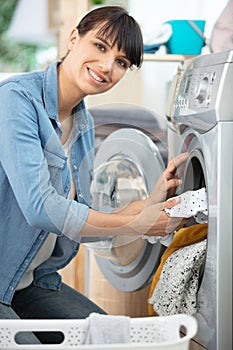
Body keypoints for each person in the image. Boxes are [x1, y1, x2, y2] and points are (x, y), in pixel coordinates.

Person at [0, 5, 189, 344]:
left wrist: (146, 205)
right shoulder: (16, 100)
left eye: (121, 62)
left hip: (29, 281)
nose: (106, 67)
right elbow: (42, 209)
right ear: (74, 38)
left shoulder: (84, 123)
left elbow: (79, 226)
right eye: (100, 47)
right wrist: (138, 223)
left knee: (115, 340)